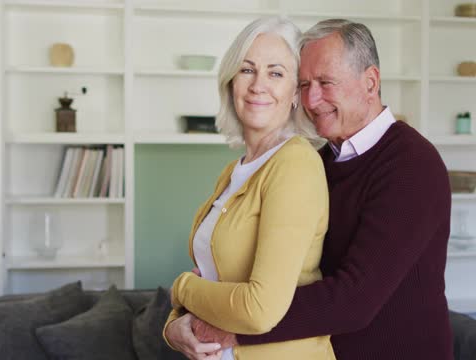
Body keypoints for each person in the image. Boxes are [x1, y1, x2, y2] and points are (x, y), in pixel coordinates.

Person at [166, 18, 454, 360]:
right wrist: (178, 323)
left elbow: (354, 299)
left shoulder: (411, 165)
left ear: (371, 82)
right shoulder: (323, 161)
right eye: (304, 83)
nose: (312, 99)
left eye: (325, 82)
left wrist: (224, 324)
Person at [163, 17, 336, 360]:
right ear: (230, 83)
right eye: (246, 70)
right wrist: (173, 327)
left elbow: (260, 309)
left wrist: (181, 288)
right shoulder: (234, 173)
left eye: (275, 73)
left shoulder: (295, 165)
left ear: (295, 93)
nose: (258, 85)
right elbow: (211, 277)